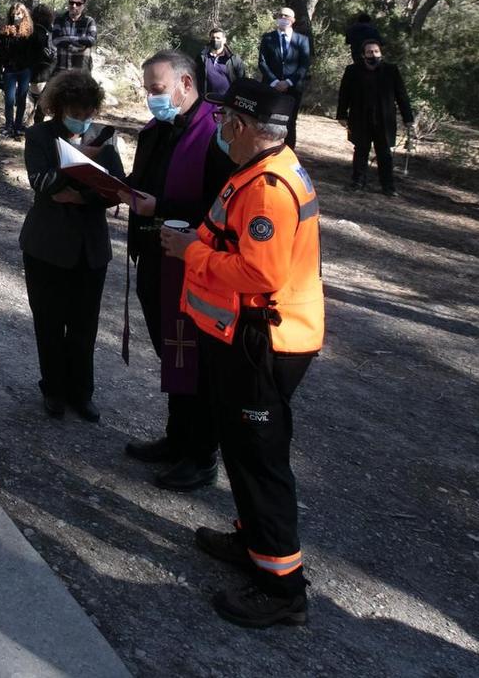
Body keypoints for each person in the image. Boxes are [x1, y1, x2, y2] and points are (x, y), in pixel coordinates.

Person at [160, 78, 323, 629]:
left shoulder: (269, 188)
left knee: (259, 457)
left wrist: (192, 253)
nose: (221, 128)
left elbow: (262, 272)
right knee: (242, 445)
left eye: (229, 120)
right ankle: (254, 543)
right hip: (246, 334)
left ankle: (282, 589)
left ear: (248, 127)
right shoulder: (255, 171)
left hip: (266, 339)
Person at [123, 50, 233, 492]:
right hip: (155, 257)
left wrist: (161, 207)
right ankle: (176, 437)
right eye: (147, 89)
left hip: (196, 265)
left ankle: (201, 455)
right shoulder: (157, 129)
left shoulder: (217, 134)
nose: (150, 98)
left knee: (196, 361)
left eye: (157, 89)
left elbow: (222, 204)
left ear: (186, 85)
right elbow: (144, 178)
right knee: (173, 352)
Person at [20, 70, 125, 423]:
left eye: (86, 112)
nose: (81, 119)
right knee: (48, 322)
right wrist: (75, 162)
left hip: (90, 249)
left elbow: (116, 189)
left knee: (84, 326)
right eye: (74, 111)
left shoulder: (105, 137)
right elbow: (42, 182)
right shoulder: (38, 135)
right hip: (46, 246)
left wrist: (80, 196)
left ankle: (82, 393)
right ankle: (52, 389)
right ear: (58, 106)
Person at [335, 38, 414, 195]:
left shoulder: (391, 70)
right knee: (361, 151)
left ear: (381, 53)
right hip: (360, 118)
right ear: (363, 54)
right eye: (369, 52)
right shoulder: (352, 70)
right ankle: (357, 182)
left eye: (376, 51)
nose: (373, 54)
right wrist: (342, 115)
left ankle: (388, 187)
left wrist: (408, 118)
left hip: (384, 120)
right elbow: (344, 94)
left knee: (384, 153)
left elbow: (401, 95)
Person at [256, 8, 311, 148]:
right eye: (280, 15)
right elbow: (262, 62)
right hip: (271, 86)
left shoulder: (302, 40)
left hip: (293, 88)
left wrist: (288, 82)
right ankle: (265, 150)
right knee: (267, 119)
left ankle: (288, 152)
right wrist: (274, 81)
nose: (282, 17)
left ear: (293, 20)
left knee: (290, 122)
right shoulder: (268, 38)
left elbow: (304, 65)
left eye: (286, 16)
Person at [0, 3, 37, 138]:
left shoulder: (30, 32)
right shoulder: (5, 31)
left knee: (22, 98)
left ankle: (18, 125)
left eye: (19, 14)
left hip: (24, 70)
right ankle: (8, 125)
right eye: (14, 14)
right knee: (9, 99)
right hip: (9, 70)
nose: (16, 16)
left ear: (24, 14)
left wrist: (30, 67)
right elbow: (1, 51)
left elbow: (34, 52)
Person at [50, 0, 99, 77]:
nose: (74, 6)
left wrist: (67, 39)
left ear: (83, 6)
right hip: (62, 69)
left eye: (78, 4)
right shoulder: (59, 20)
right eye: (71, 3)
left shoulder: (89, 21)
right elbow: (55, 40)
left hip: (81, 70)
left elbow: (91, 40)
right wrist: (80, 44)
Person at [200, 28, 244, 100]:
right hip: (206, 99)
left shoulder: (233, 59)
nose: (215, 40)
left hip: (227, 101)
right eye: (213, 38)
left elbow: (241, 81)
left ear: (224, 40)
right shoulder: (202, 57)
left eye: (218, 38)